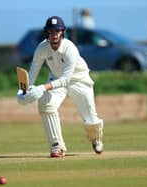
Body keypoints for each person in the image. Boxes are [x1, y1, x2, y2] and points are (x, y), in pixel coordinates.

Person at [17, 16, 104, 158]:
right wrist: (24, 91)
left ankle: (96, 139)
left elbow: (65, 80)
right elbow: (33, 71)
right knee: (46, 104)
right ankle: (56, 146)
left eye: (57, 31)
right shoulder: (42, 48)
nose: (54, 34)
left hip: (79, 80)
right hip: (56, 80)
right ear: (47, 33)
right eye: (51, 31)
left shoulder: (70, 49)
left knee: (91, 120)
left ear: (62, 32)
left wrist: (43, 87)